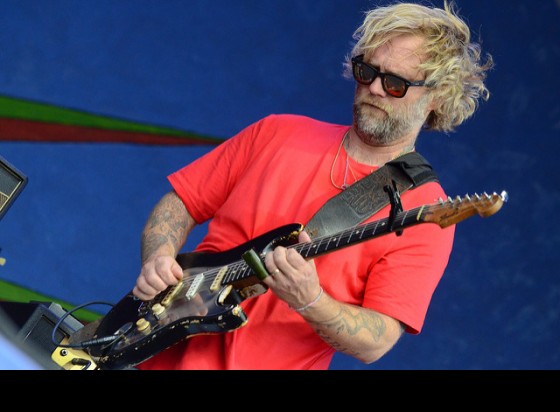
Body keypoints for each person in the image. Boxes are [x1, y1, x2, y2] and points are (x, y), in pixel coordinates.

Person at [132, 0, 493, 370]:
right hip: (142, 352)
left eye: (396, 83)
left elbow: (377, 341)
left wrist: (310, 299)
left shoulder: (425, 212)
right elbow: (181, 203)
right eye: (367, 71)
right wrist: (158, 258)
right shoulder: (277, 132)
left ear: (437, 97)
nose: (375, 89)